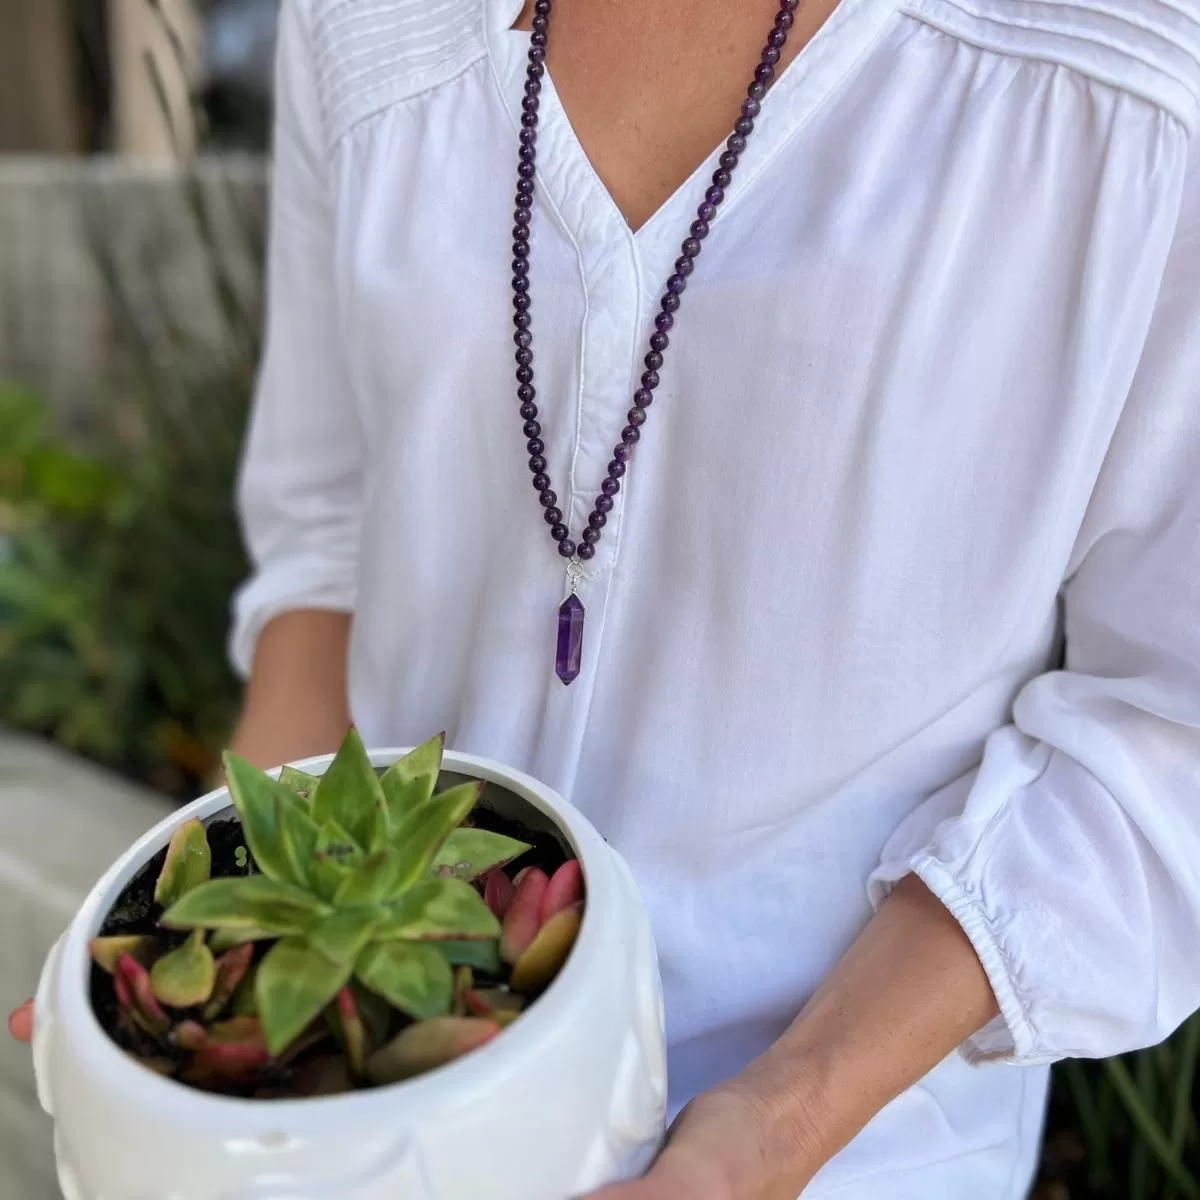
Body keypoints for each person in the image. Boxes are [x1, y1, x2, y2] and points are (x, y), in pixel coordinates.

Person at [13, 0, 1200, 1195]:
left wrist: (775, 1130)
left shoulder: (1130, 66)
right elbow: (330, 532)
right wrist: (217, 941)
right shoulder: (358, 19)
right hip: (365, 1114)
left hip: (850, 1150)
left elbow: (1167, 732)